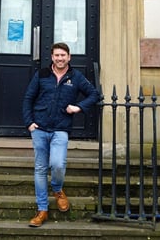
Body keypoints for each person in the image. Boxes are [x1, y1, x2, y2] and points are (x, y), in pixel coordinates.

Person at [22, 42, 100, 227]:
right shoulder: (42, 74)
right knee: (40, 169)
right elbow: (28, 98)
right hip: (39, 128)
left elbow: (94, 94)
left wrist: (78, 107)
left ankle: (57, 189)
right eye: (57, 55)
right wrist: (29, 123)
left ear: (69, 57)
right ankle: (42, 210)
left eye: (63, 55)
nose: (60, 58)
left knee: (57, 164)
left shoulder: (76, 76)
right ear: (52, 57)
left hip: (60, 129)